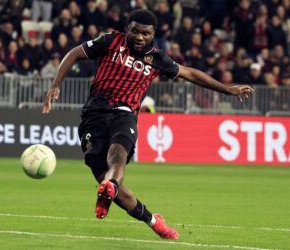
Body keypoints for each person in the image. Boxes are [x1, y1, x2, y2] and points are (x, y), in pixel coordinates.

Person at [42, 9, 254, 240]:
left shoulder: (158, 58)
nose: (139, 37)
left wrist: (227, 89)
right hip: (93, 116)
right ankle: (153, 221)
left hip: (124, 114)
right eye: (135, 31)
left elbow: (190, 74)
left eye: (145, 33)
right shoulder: (110, 41)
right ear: (127, 29)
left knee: (118, 155)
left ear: (153, 34)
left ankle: (110, 185)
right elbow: (74, 53)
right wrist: (56, 84)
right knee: (113, 187)